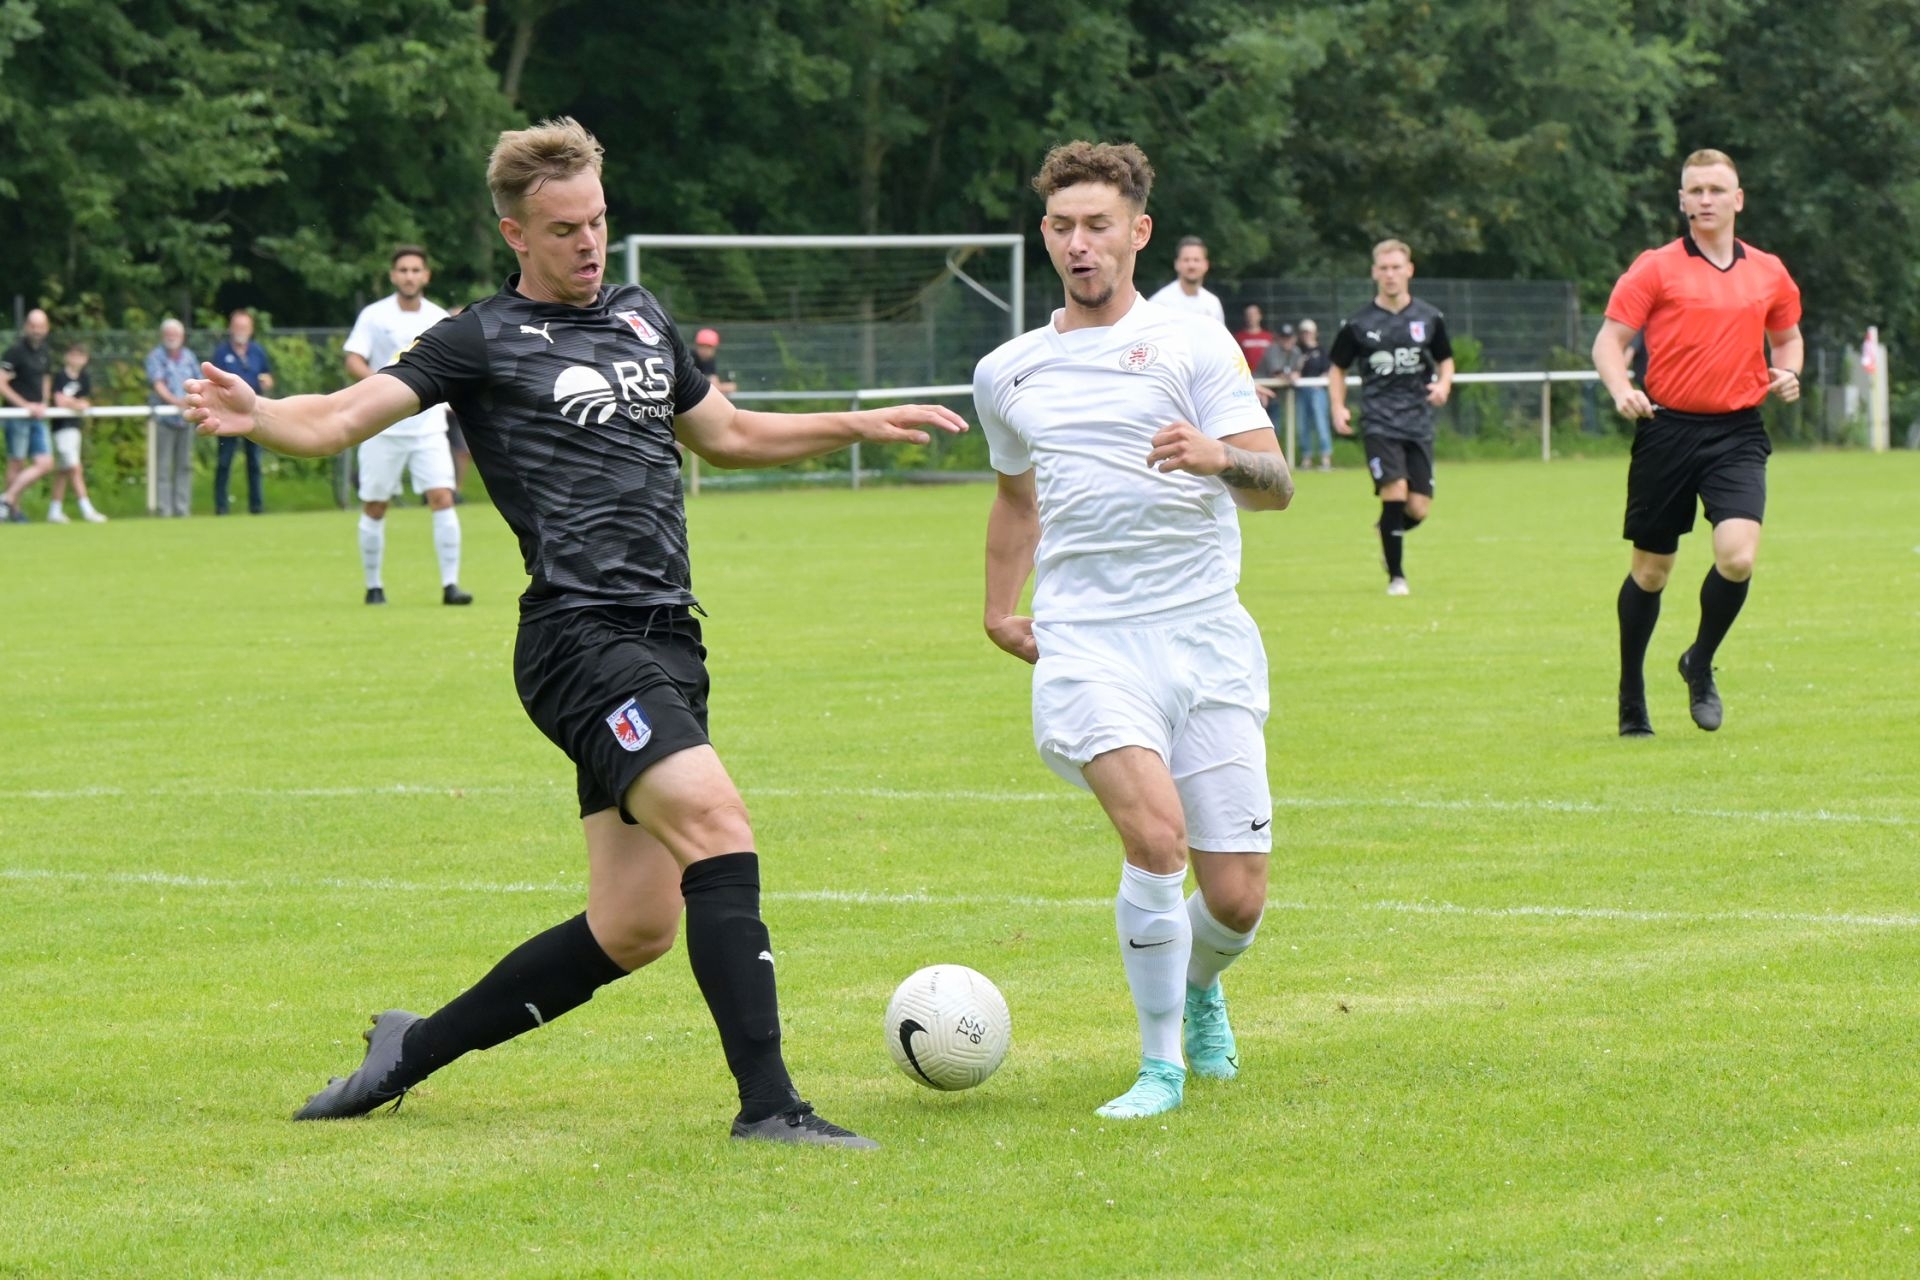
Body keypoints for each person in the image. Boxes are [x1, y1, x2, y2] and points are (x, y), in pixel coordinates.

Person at [185, 116, 966, 1149]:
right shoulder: (478, 337)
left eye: (597, 220)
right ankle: (771, 1107)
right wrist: (263, 414)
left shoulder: (642, 316)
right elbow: (339, 416)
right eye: (564, 229)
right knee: (719, 825)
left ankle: (407, 1051)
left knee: (635, 926)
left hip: (668, 637)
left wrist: (857, 423)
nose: (589, 242)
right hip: (578, 638)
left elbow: (728, 433)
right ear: (516, 233)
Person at [976, 140, 1292, 1120]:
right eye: (1062, 226)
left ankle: (1198, 985)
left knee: (1237, 897)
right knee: (1157, 838)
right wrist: (998, 606)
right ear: (1046, 235)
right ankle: (1160, 1067)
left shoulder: (1194, 345)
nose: (1079, 243)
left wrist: (1217, 457)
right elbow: (1017, 498)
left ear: (1138, 233)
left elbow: (1276, 483)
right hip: (1089, 640)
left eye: (1098, 225)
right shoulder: (1008, 371)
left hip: (1203, 635)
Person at [1592, 148, 1802, 737]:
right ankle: (1631, 695)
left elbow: (1788, 338)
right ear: (1682, 200)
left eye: (1716, 189)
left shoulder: (1768, 271)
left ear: (1738, 199)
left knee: (1737, 557)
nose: (1705, 200)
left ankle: (1699, 661)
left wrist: (1789, 372)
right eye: (1695, 190)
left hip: (1737, 431)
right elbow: (1610, 342)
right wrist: (1621, 389)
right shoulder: (1655, 268)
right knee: (1652, 572)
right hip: (1667, 430)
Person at [343, 246, 471, 605]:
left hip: (427, 426)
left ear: (426, 276)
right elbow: (353, 359)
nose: (409, 276)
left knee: (442, 497)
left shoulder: (438, 318)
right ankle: (374, 586)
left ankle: (451, 585)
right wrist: (380, 388)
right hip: (382, 427)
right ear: (393, 275)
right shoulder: (374, 315)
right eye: (403, 270)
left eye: (416, 270)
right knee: (375, 505)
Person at [1328, 239, 1454, 596]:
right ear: (1374, 273)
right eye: (1384, 268)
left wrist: (1443, 384)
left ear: (1409, 270)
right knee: (1394, 492)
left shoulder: (1429, 318)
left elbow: (1445, 360)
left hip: (1418, 421)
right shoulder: (1358, 323)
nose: (1390, 274)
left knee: (1418, 507)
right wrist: (1338, 405)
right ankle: (1397, 578)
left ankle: (1386, 530)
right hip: (1379, 421)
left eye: (1397, 267)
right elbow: (1337, 368)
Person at [210, 309, 274, 515]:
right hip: (227, 414)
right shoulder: (221, 353)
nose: (241, 330)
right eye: (237, 326)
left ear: (251, 329)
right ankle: (221, 507)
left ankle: (257, 507)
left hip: (253, 412)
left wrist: (267, 382)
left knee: (254, 461)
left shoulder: (258, 352)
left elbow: (268, 376)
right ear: (231, 328)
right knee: (224, 461)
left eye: (244, 327)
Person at [0, 309, 54, 523]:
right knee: (17, 463)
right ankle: (14, 512)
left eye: (40, 326)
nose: (36, 330)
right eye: (33, 326)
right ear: (26, 327)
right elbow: (1, 383)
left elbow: (46, 378)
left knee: (45, 463)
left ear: (47, 328)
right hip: (17, 415)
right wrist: (25, 406)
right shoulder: (14, 352)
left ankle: (6, 500)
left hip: (37, 417)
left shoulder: (45, 352)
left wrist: (44, 402)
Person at [46, 342, 106, 523]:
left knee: (64, 470)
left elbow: (85, 401)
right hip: (61, 427)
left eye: (81, 356)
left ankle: (54, 510)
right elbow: (59, 400)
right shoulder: (60, 376)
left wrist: (72, 403)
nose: (76, 359)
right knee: (74, 467)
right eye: (73, 355)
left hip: (74, 427)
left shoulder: (84, 377)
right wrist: (74, 404)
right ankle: (86, 509)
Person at [145, 319, 198, 518]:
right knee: (163, 466)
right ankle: (164, 509)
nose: (171, 337)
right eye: (168, 334)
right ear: (162, 336)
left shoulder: (189, 357)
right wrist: (176, 401)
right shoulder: (155, 357)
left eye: (175, 334)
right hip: (164, 420)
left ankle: (182, 508)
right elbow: (158, 383)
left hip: (186, 418)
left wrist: (190, 402)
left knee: (185, 465)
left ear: (182, 337)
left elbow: (198, 380)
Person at [1148, 236, 1225, 325]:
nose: (1191, 265)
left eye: (1196, 260)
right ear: (1177, 264)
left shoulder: (1213, 304)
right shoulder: (1160, 303)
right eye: (1186, 260)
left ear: (1206, 265)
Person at [1295, 319, 1334, 472]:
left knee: (1320, 423)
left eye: (1309, 332)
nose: (1306, 335)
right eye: (1304, 332)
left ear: (1315, 333)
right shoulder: (1298, 351)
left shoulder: (1322, 351)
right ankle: (1306, 458)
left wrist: (1320, 381)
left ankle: (1325, 458)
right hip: (1302, 391)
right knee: (1303, 425)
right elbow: (1294, 370)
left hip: (1318, 391)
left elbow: (1328, 369)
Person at [691, 328, 738, 395]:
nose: (705, 350)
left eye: (709, 347)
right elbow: (713, 387)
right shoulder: (689, 360)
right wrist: (727, 387)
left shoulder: (709, 361)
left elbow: (713, 383)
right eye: (702, 346)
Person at [1232, 304, 1275, 372]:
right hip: (1246, 375)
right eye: (1248, 314)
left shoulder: (1269, 337)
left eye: (1254, 314)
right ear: (1245, 317)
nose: (1251, 317)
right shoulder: (1238, 337)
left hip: (1267, 376)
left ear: (1260, 316)